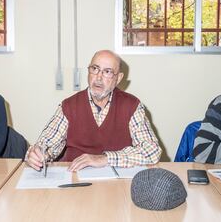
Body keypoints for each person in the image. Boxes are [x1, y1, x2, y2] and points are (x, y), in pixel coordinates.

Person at [26, 50, 162, 171]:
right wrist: (38, 153)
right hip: (74, 179)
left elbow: (152, 151)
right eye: (95, 68)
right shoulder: (69, 106)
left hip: (116, 182)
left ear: (118, 78)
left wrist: (105, 159)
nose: (98, 77)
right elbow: (47, 143)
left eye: (107, 72)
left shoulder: (132, 106)